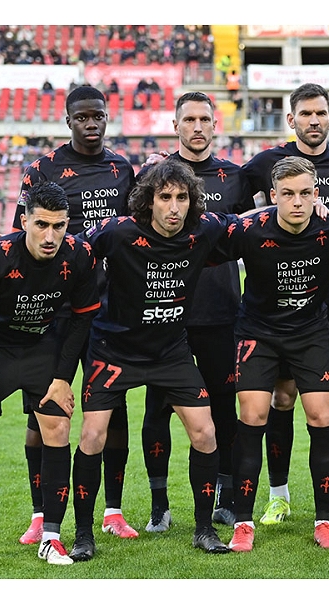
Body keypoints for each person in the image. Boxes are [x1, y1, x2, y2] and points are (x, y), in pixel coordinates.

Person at [69, 160, 240, 560]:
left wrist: (311, 207)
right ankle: (82, 535)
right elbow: (72, 252)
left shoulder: (205, 229)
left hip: (170, 351)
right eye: (165, 198)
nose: (174, 207)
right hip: (114, 350)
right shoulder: (117, 231)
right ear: (148, 202)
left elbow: (250, 223)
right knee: (92, 436)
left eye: (182, 198)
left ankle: (202, 530)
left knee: (205, 432)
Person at [219, 156, 329, 552]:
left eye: (306, 193)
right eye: (287, 194)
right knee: (253, 416)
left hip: (311, 333)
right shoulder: (250, 228)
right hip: (258, 333)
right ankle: (243, 521)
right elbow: (204, 229)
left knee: (323, 415)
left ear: (315, 194)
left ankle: (324, 521)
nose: (297, 202)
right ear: (273, 197)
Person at [0, 182, 101, 570]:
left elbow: (84, 318)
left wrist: (62, 377)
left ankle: (51, 538)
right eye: (41, 225)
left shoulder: (81, 254)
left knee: (57, 429)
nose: (50, 236)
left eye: (59, 226)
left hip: (42, 348)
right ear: (24, 221)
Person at [14, 85, 139, 546]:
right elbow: (21, 238)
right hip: (57, 314)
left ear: (107, 117)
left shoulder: (122, 168)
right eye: (82, 116)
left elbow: (134, 234)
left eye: (99, 116)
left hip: (110, 311)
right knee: (42, 411)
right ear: (68, 120)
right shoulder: (43, 170)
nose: (92, 123)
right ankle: (39, 512)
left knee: (112, 409)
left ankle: (113, 510)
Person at [240, 83, 329, 527]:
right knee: (281, 396)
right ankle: (278, 495)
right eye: (305, 114)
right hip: (276, 307)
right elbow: (237, 217)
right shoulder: (262, 165)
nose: (314, 120)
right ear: (291, 120)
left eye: (321, 113)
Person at [136, 92, 256, 531]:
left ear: (215, 124)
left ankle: (223, 497)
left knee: (223, 409)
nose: (198, 127)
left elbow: (252, 236)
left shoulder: (236, 177)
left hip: (222, 312)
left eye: (205, 118)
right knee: (158, 409)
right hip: (165, 315)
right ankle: (159, 504)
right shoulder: (154, 175)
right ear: (175, 125)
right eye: (189, 119)